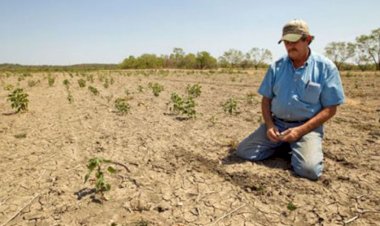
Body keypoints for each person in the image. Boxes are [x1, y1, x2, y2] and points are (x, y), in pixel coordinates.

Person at [235, 19, 345, 180]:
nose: (289, 46)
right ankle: (285, 145)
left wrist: (300, 131)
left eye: (294, 41)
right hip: (277, 125)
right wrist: (270, 126)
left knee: (309, 170)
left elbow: (330, 109)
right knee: (244, 151)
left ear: (307, 40)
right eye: (286, 42)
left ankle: (299, 146)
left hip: (306, 128)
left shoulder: (326, 67)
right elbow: (266, 101)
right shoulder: (276, 67)